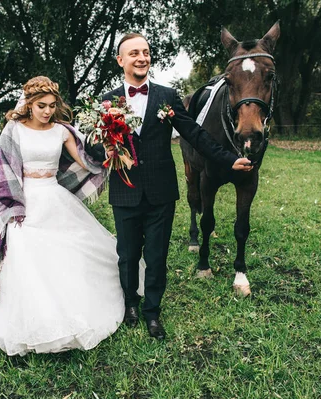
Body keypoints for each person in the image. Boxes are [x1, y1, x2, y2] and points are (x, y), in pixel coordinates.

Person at [87, 33, 254, 340]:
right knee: (126, 255)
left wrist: (229, 159)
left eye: (146, 52)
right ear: (120, 61)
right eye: (134, 53)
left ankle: (152, 312)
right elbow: (95, 146)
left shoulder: (167, 96)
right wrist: (106, 151)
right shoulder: (108, 101)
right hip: (124, 191)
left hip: (161, 192)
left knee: (156, 255)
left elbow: (195, 134)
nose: (142, 57)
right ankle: (130, 304)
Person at [0, 76, 128, 356]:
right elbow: (5, 173)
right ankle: (35, 320)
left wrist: (113, 153)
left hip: (55, 198)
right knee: (24, 256)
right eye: (41, 105)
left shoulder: (62, 131)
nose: (47, 111)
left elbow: (85, 161)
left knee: (71, 253)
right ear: (28, 104)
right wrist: (14, 207)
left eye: (52, 106)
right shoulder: (13, 131)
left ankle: (77, 309)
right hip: (24, 201)